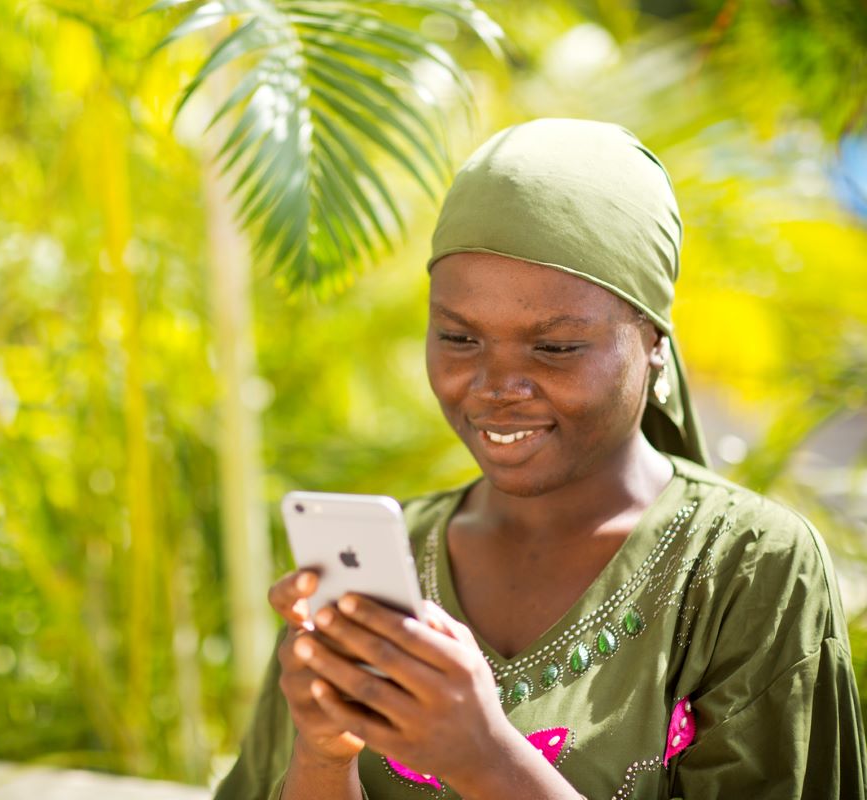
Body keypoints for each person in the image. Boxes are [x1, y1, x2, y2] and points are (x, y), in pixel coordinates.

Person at [213, 118, 867, 799]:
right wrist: (322, 753)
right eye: (459, 337)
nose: (496, 386)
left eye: (554, 348)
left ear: (652, 341)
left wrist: (487, 759)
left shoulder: (746, 569)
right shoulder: (389, 565)